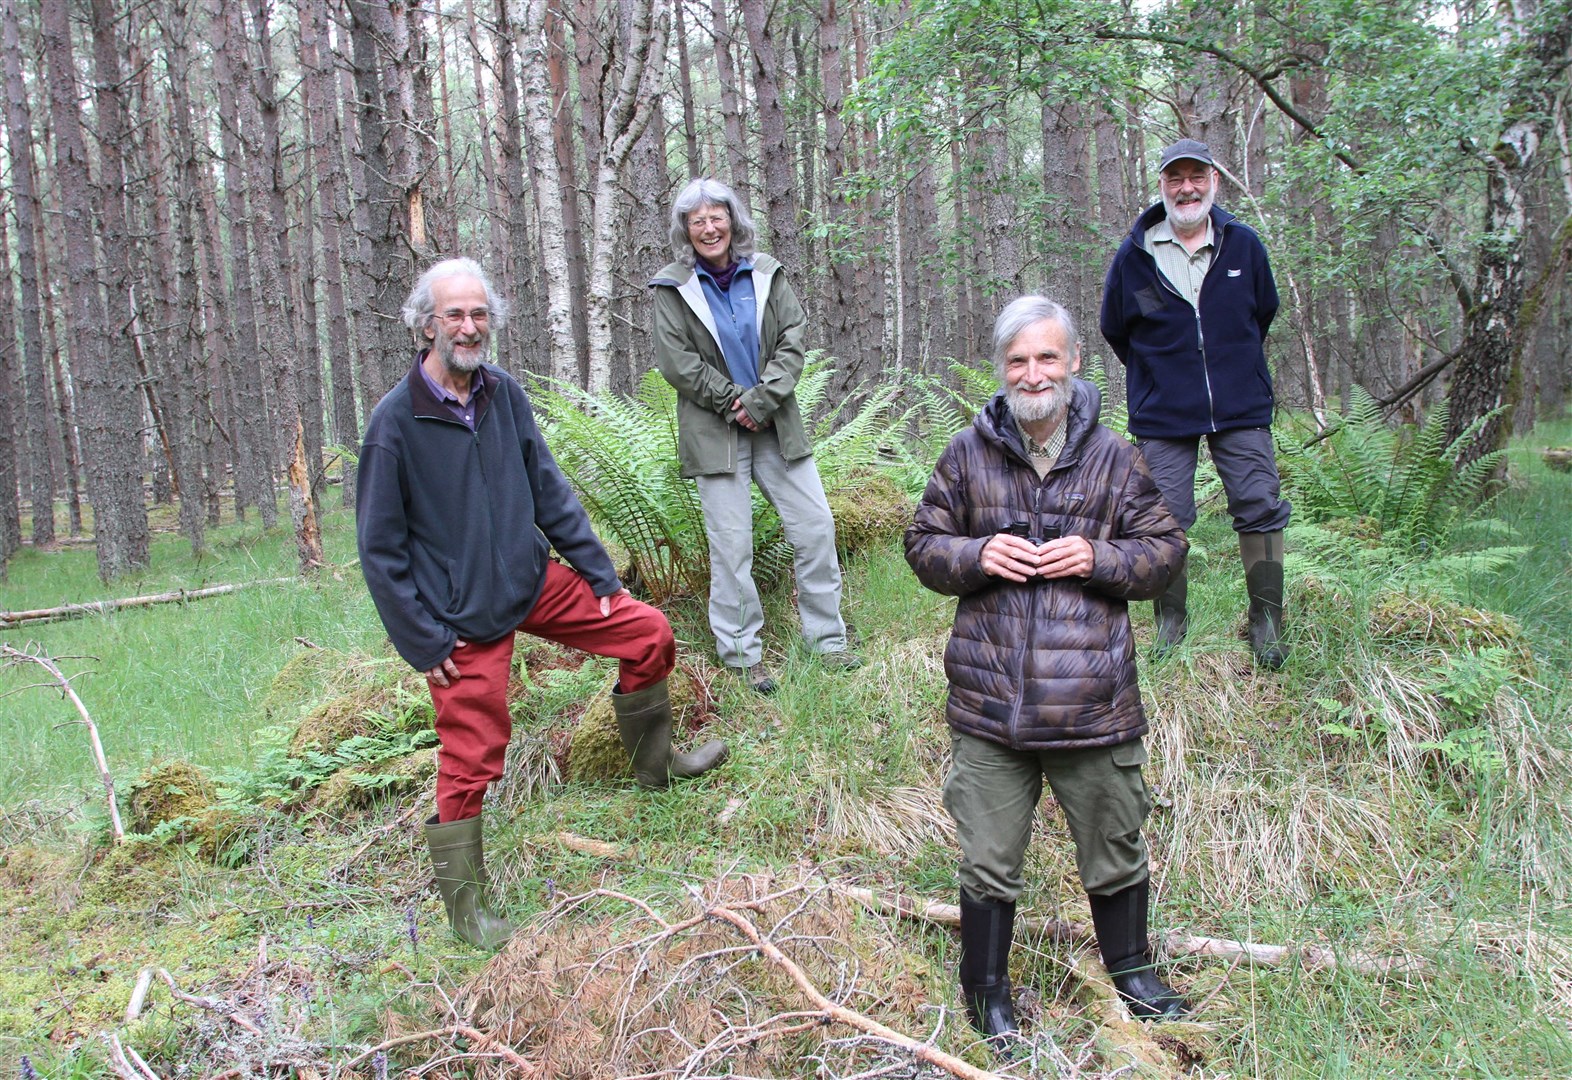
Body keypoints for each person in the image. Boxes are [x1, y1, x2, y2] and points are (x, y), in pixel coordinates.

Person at [357, 257, 728, 949]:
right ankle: (468, 914)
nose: (468, 327)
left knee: (647, 633)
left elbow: (550, 490)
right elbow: (379, 551)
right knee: (473, 753)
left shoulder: (503, 395)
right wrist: (422, 641)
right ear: (425, 325)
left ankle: (655, 766)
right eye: (454, 315)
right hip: (458, 617)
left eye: (478, 314)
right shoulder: (394, 425)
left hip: (530, 582)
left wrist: (601, 578)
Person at [906, 296, 1190, 1044]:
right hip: (990, 706)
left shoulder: (1115, 456)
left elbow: (1165, 552)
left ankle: (1132, 972)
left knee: (1115, 839)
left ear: (1072, 364)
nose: (1034, 374)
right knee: (988, 855)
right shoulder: (967, 454)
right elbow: (923, 543)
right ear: (1002, 372)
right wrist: (975, 555)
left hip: (1092, 702)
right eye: (1018, 361)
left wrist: (1102, 558)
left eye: (1047, 357)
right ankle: (986, 992)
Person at [650, 178, 859, 694]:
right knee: (731, 548)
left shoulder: (766, 274)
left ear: (733, 220)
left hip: (776, 427)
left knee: (814, 527)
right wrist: (731, 402)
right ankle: (743, 658)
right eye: (696, 220)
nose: (708, 227)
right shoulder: (672, 287)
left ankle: (827, 642)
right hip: (714, 434)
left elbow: (793, 338)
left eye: (716, 216)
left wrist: (761, 400)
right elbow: (676, 362)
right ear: (686, 230)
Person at [1099, 138, 1291, 668]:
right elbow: (1116, 328)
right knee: (1165, 517)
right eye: (1175, 178)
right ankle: (1170, 626)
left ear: (1213, 182)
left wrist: (1232, 366)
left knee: (1260, 506)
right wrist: (1161, 376)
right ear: (1161, 186)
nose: (1187, 188)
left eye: (1197, 177)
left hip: (1241, 405)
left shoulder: (1244, 246)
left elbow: (1263, 311)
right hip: (1163, 414)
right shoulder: (1135, 256)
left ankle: (1267, 624)